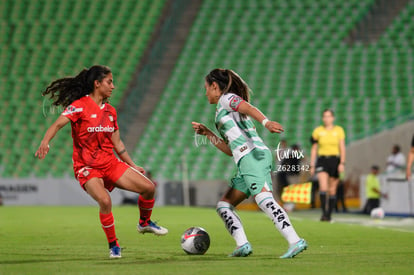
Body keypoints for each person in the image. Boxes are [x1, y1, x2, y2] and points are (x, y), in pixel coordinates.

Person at [35, 65, 168, 259]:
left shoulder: (111, 112)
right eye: (109, 82)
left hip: (110, 164)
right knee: (105, 201)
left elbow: (117, 142)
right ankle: (114, 245)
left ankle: (144, 222)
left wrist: (131, 164)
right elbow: (57, 124)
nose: (113, 86)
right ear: (97, 84)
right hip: (87, 167)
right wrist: (45, 142)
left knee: (149, 188)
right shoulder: (79, 106)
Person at [191, 68, 307, 258]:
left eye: (206, 88)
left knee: (264, 200)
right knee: (224, 205)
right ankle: (242, 244)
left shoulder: (226, 99)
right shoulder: (221, 112)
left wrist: (266, 122)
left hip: (251, 156)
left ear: (214, 86)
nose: (205, 93)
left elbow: (248, 107)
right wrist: (208, 133)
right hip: (246, 159)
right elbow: (230, 150)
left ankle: (295, 241)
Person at [310, 109, 345, 222]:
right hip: (322, 160)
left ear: (333, 118)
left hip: (335, 160)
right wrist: (312, 164)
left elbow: (342, 147)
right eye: (324, 116)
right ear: (322, 118)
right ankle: (324, 214)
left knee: (332, 189)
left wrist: (342, 163)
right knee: (323, 187)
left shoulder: (339, 130)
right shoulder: (318, 131)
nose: (326, 118)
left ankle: (329, 214)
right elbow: (314, 148)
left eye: (329, 116)